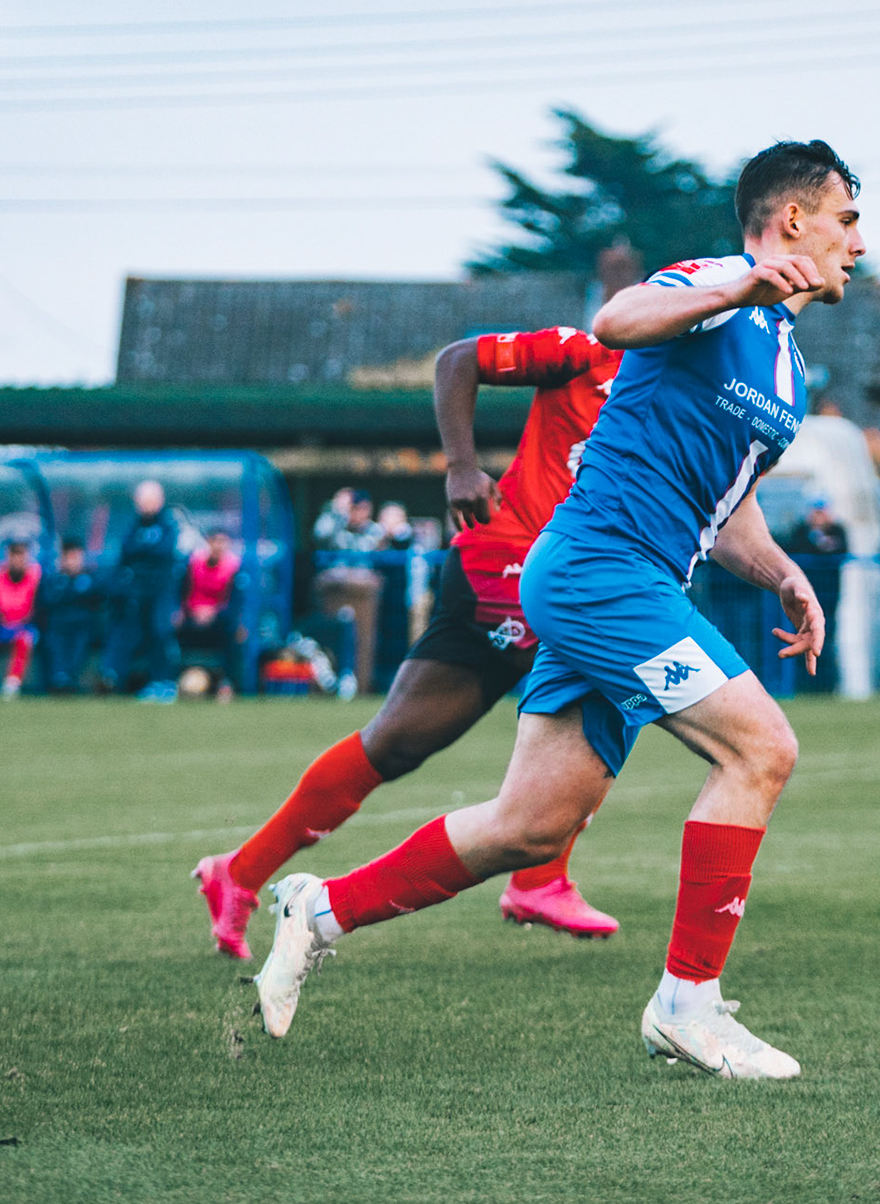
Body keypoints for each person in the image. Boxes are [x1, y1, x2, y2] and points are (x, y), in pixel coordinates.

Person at [249, 138, 859, 1080]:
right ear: (792, 222)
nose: (856, 242)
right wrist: (736, 289)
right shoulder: (717, 283)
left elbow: (726, 506)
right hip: (598, 569)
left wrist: (781, 572)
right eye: (846, 220)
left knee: (530, 825)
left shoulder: (789, 366)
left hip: (633, 581)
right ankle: (687, 1004)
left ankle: (317, 910)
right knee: (761, 747)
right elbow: (618, 319)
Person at [195, 322, 627, 955]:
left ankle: (239, 872)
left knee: (394, 743)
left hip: (553, 570)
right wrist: (460, 466)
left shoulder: (684, 391)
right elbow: (456, 360)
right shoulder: (587, 352)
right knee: (610, 679)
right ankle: (538, 877)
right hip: (507, 560)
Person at [106, 481, 183, 702]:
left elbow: (162, 552)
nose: (144, 505)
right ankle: (115, 681)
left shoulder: (168, 524)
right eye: (140, 501)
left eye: (148, 500)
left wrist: (142, 552)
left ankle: (165, 683)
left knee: (160, 635)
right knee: (131, 635)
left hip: (161, 593)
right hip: (136, 594)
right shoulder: (134, 526)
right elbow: (126, 550)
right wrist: (143, 552)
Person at [312, 487, 387, 696]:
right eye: (353, 508)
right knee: (333, 638)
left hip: (363, 595)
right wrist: (336, 509)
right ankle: (330, 682)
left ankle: (361, 684)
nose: (357, 513)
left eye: (361, 508)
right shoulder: (338, 527)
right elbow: (320, 534)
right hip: (335, 593)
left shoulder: (373, 530)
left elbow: (373, 550)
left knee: (363, 643)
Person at [781, 496, 847, 693]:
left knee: (826, 640)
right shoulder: (800, 531)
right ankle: (803, 686)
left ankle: (827, 686)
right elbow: (793, 549)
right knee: (801, 638)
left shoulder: (838, 531)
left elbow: (840, 550)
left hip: (828, 598)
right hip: (803, 599)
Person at [178, 529, 245, 699]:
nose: (219, 546)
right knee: (167, 628)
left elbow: (235, 601)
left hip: (219, 617)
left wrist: (213, 612)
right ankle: (170, 680)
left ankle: (227, 683)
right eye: (215, 541)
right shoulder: (194, 563)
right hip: (193, 614)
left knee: (233, 632)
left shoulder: (233, 567)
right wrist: (192, 610)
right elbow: (183, 591)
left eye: (223, 542)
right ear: (208, 542)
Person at [0, 540, 41, 700]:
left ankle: (12, 683)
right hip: (1, 626)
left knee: (25, 638)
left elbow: (39, 609)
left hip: (25, 627)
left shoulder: (35, 578)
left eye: (20, 555)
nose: (17, 560)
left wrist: (23, 622)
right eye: (13, 555)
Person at [41, 539, 102, 694]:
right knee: (53, 639)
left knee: (81, 640)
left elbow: (95, 600)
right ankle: (59, 678)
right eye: (69, 557)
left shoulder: (90, 578)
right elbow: (49, 600)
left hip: (82, 625)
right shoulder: (55, 580)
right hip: (59, 625)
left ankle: (69, 679)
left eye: (76, 557)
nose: (73, 561)